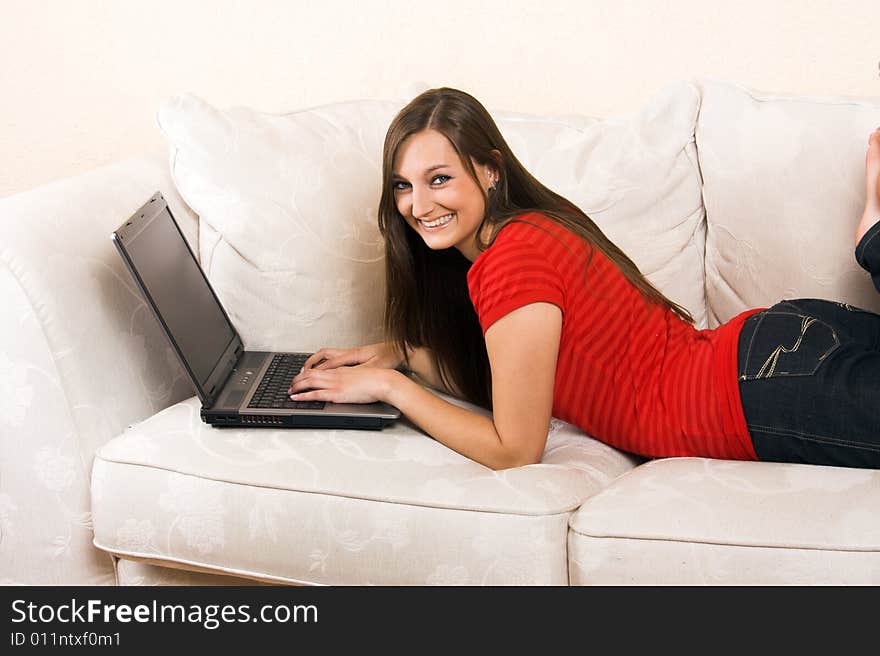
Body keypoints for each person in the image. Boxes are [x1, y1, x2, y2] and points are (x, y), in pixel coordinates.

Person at [288, 86, 880, 471]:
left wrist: (395, 389)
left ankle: (873, 243)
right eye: (403, 185)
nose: (418, 204)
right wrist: (403, 355)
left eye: (438, 178)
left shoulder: (509, 263)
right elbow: (519, 382)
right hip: (775, 348)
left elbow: (515, 449)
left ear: (489, 170)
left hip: (761, 390)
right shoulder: (529, 231)